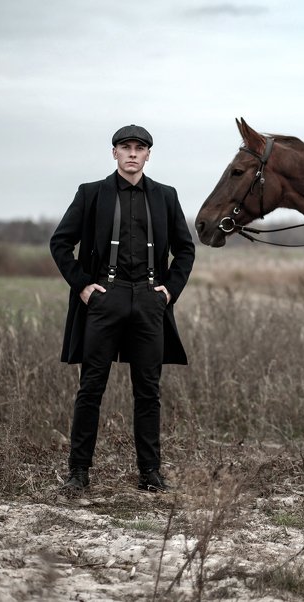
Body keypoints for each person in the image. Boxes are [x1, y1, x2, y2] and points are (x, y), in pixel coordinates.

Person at [50, 124, 195, 492]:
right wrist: (84, 287)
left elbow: (185, 249)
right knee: (91, 388)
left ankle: (150, 473)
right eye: (125, 147)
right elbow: (61, 243)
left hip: (149, 302)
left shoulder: (165, 196)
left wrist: (168, 292)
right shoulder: (91, 194)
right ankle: (79, 473)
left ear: (148, 155)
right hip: (104, 299)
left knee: (148, 391)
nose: (132, 153)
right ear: (114, 153)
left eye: (139, 148)